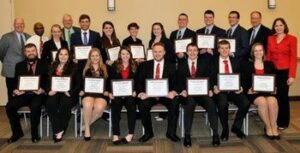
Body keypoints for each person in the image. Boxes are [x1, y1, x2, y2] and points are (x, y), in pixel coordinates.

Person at [177, 43, 220, 147]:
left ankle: (215, 133)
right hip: (188, 94)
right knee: (190, 104)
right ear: (186, 52)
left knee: (211, 103)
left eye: (195, 50)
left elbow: (209, 77)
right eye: (190, 50)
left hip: (202, 93)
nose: (192, 52)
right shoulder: (181, 64)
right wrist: (182, 90)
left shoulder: (204, 63)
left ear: (198, 52)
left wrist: (210, 89)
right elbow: (177, 81)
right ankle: (187, 135)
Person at [136, 42, 179, 143]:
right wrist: (141, 93)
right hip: (149, 95)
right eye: (155, 52)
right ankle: (148, 133)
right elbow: (138, 81)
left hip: (165, 94)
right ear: (152, 52)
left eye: (160, 52)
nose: (157, 54)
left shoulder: (171, 65)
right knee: (142, 105)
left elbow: (176, 82)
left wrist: (173, 92)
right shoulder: (144, 65)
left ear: (164, 52)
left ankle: (171, 133)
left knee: (175, 103)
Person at [5, 43, 48, 143]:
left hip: (38, 94)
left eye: (33, 51)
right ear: (24, 53)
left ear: (37, 51)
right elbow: (16, 81)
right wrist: (15, 90)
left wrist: (43, 89)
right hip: (23, 94)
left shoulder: (44, 63)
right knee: (9, 106)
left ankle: (34, 133)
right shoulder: (19, 65)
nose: (31, 53)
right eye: (28, 51)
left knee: (35, 106)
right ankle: (17, 132)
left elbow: (48, 80)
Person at [211, 40, 250, 141]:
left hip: (234, 90)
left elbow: (244, 78)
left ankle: (236, 126)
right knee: (222, 103)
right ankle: (225, 128)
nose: (224, 50)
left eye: (227, 48)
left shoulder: (236, 61)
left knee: (245, 102)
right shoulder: (212, 61)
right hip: (220, 91)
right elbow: (208, 77)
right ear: (218, 49)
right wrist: (213, 87)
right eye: (222, 48)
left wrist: (241, 87)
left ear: (230, 49)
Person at [241, 43, 279, 139]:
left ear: (263, 52)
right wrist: (248, 90)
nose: (258, 52)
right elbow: (243, 81)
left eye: (260, 50)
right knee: (262, 101)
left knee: (272, 101)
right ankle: (267, 126)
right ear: (253, 53)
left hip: (268, 92)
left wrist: (274, 88)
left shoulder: (269, 64)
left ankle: (274, 125)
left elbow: (275, 79)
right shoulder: (247, 65)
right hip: (254, 93)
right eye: (256, 51)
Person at [267, 18, 297, 130]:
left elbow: (293, 58)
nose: (278, 27)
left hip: (285, 72)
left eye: (280, 25)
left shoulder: (292, 39)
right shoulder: (270, 38)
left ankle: (283, 122)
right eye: (276, 25)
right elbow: (269, 57)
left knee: (283, 97)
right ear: (274, 27)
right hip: (273, 71)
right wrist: (267, 74)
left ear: (284, 26)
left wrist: (292, 76)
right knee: (273, 96)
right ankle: (273, 120)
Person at [45, 48, 80, 142]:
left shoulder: (74, 66)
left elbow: (78, 83)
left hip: (68, 93)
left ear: (69, 56)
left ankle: (59, 131)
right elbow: (46, 81)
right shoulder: (52, 66)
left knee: (65, 105)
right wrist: (49, 90)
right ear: (57, 56)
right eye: (61, 54)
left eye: (66, 54)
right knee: (50, 104)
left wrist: (70, 92)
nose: (63, 56)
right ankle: (58, 129)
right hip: (54, 92)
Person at [79, 48, 110, 141]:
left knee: (99, 108)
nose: (95, 58)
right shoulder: (84, 68)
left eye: (97, 55)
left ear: (100, 56)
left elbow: (111, 82)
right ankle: (87, 130)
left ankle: (85, 125)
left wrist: (108, 91)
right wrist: (81, 90)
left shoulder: (107, 67)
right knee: (87, 104)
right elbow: (79, 82)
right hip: (88, 93)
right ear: (89, 57)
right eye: (92, 56)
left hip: (101, 94)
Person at [109, 47, 137, 145]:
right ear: (120, 55)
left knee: (131, 104)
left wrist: (136, 91)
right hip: (117, 94)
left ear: (130, 55)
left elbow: (139, 81)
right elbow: (110, 81)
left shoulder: (136, 65)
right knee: (115, 105)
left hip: (130, 94)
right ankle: (115, 134)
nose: (125, 56)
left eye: (127, 54)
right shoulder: (114, 65)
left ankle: (131, 133)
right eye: (123, 54)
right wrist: (110, 93)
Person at [0, 18, 31, 101]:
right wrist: (8, 62)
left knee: (24, 92)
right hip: (11, 70)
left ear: (24, 25)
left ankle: (22, 113)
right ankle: (11, 111)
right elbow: (1, 53)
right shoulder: (6, 37)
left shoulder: (28, 37)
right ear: (14, 25)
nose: (19, 25)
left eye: (21, 23)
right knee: (12, 92)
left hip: (25, 70)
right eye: (17, 23)